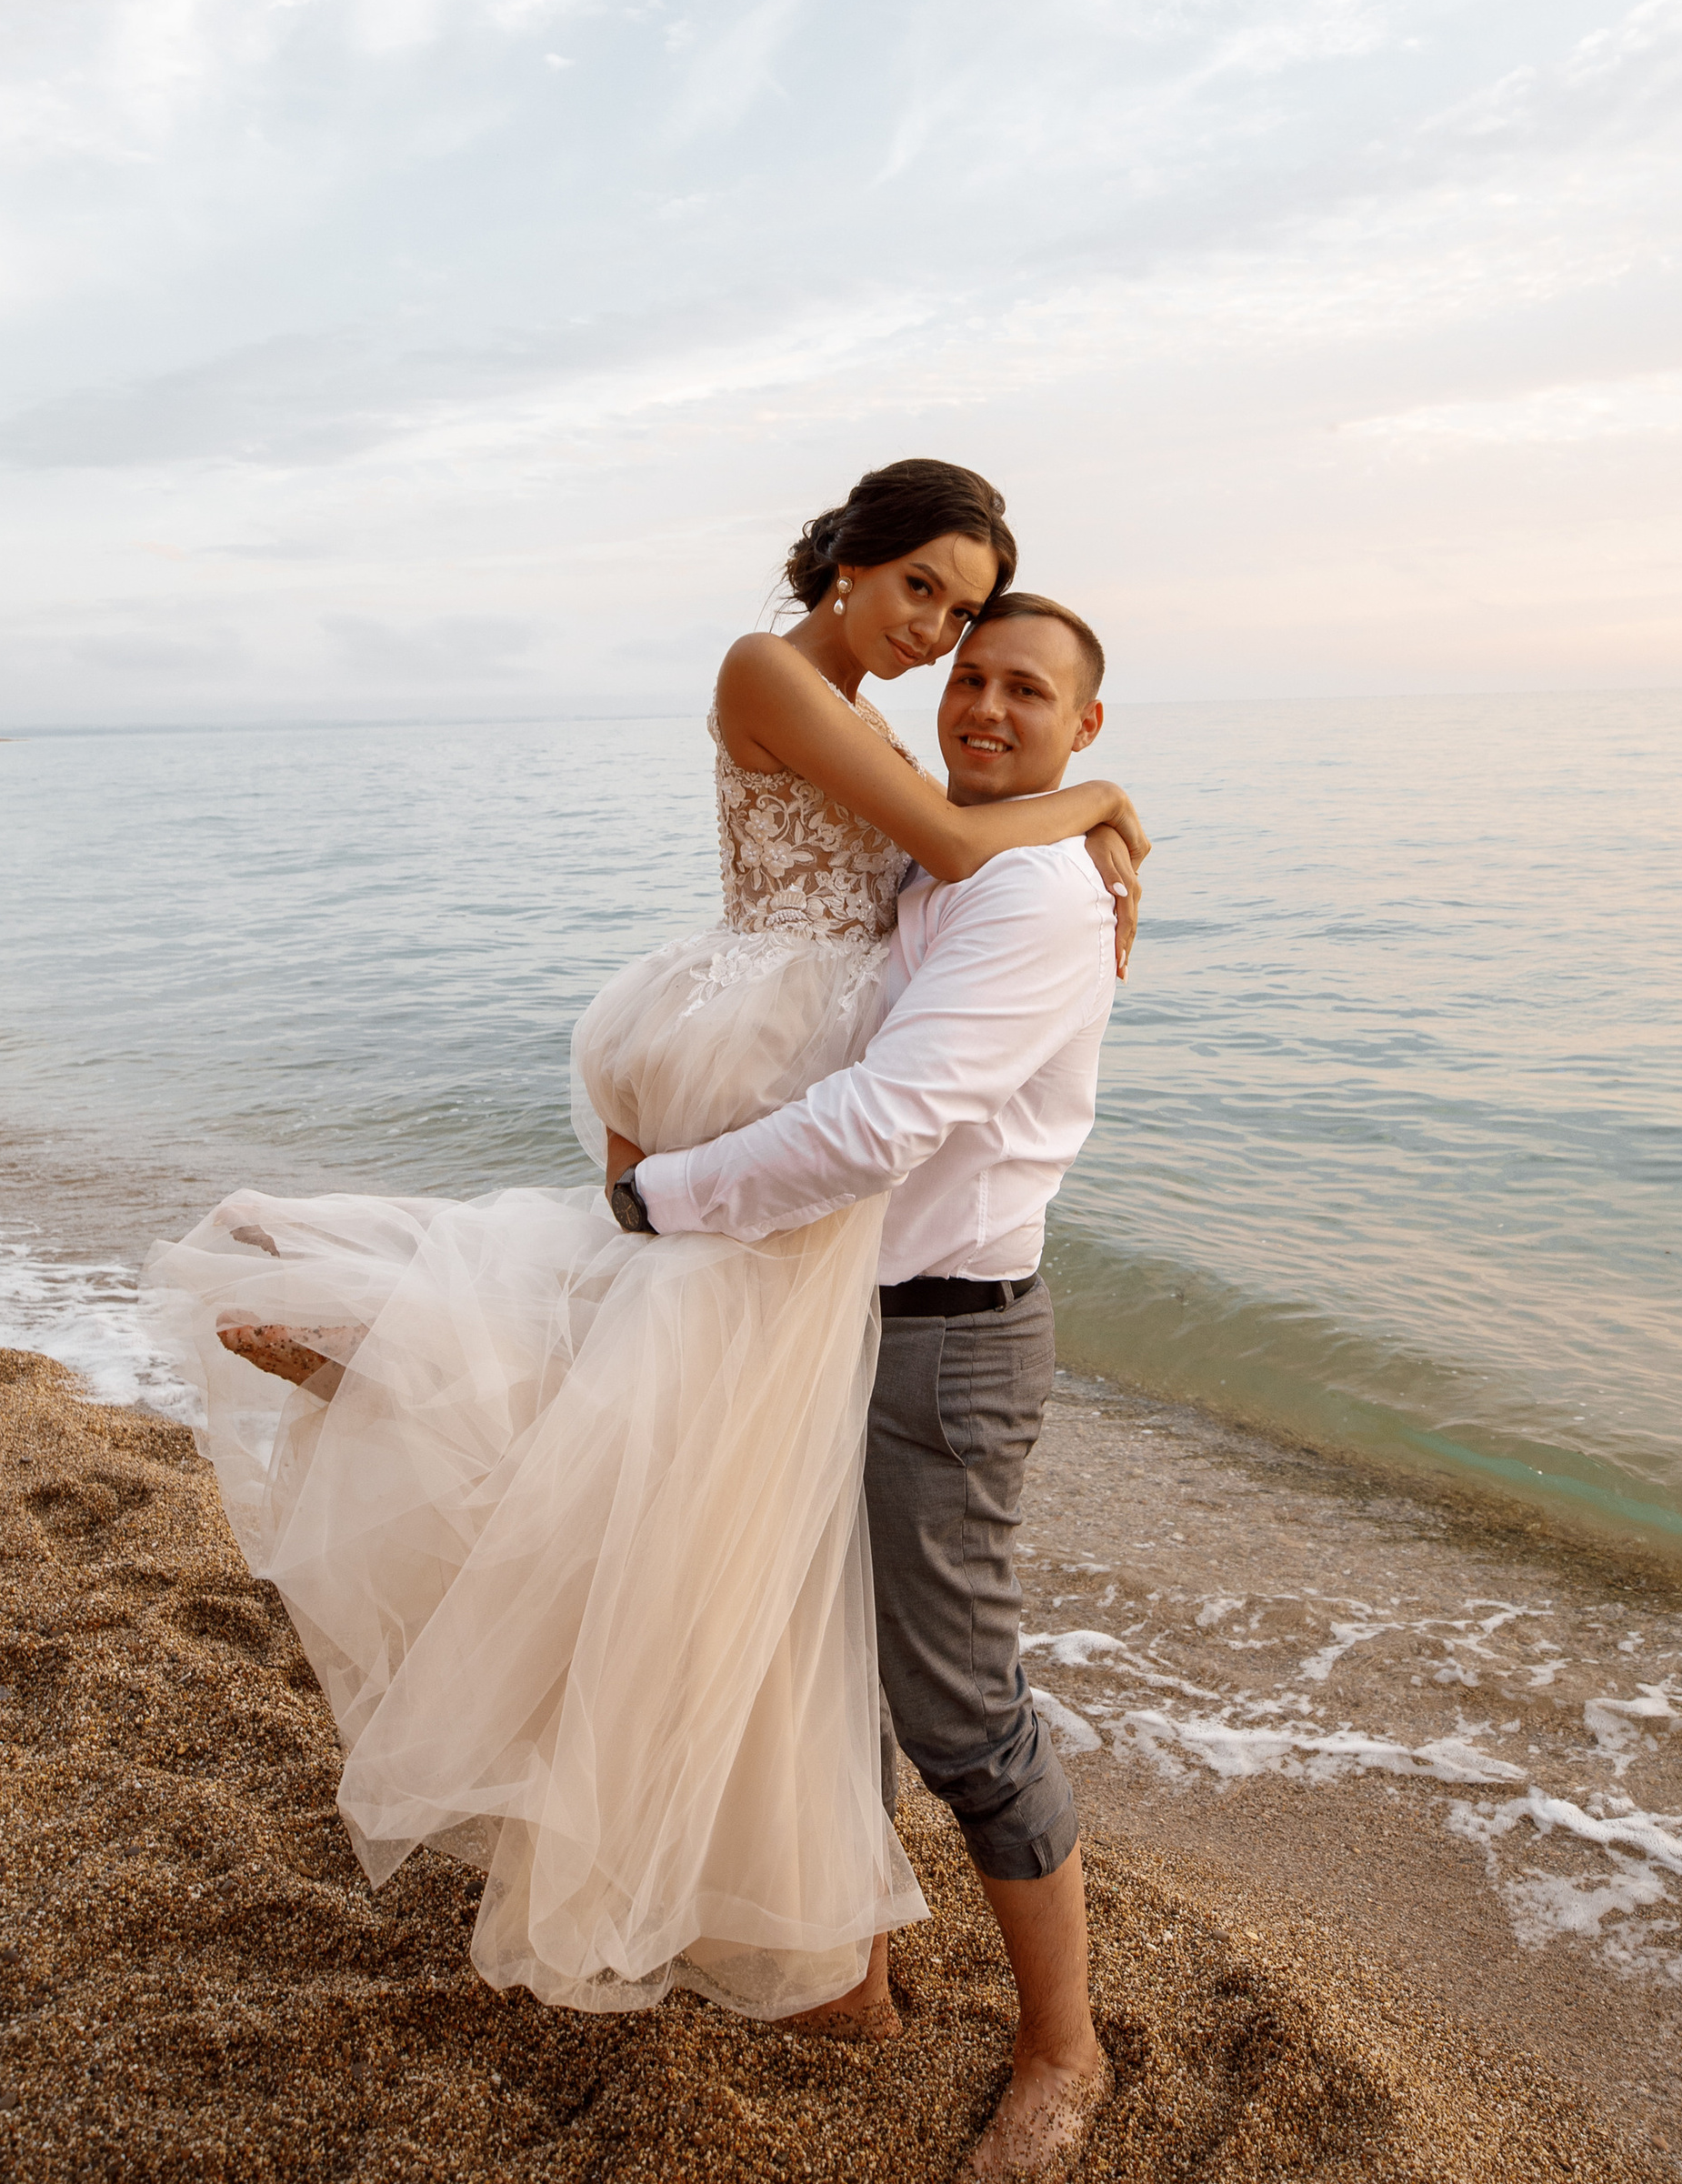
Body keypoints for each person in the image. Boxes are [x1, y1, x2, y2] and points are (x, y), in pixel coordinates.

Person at [145, 461, 1146, 2033]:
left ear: (1076, 711)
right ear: (847, 566)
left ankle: (404, 1352)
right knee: (684, 1427)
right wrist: (1103, 803)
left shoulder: (985, 845)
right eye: (931, 607)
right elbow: (947, 851)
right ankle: (400, 1345)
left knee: (689, 1436)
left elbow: (949, 847)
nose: (943, 644)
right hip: (776, 1053)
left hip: (899, 1238)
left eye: (973, 626)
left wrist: (1067, 813)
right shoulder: (778, 672)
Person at [616, 591, 1121, 2184]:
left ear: (1080, 726)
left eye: (1023, 691)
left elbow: (879, 1121)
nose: (981, 708)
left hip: (946, 1341)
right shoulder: (947, 864)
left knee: (960, 1704)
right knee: (810, 1634)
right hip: (825, 1312)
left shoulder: (1031, 902)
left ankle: (1064, 2050)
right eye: (968, 677)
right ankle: (855, 1973)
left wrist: (662, 1197)